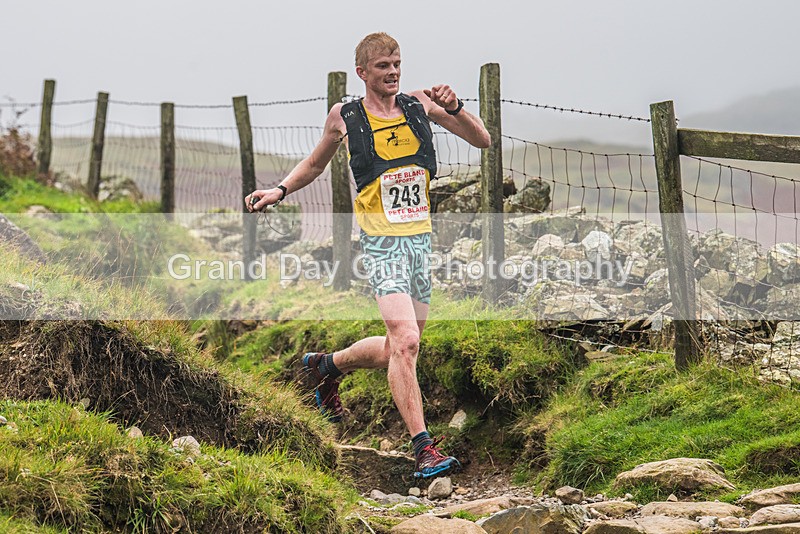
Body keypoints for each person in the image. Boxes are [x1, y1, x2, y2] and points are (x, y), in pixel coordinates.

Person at [246, 32, 490, 479]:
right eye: (383, 66)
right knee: (407, 341)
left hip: (419, 241)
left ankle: (326, 367)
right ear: (363, 72)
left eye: (397, 63)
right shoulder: (345, 116)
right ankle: (424, 450)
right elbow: (316, 163)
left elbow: (483, 141)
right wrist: (279, 190)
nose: (393, 72)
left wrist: (455, 107)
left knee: (396, 349)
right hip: (380, 243)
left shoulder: (420, 104)